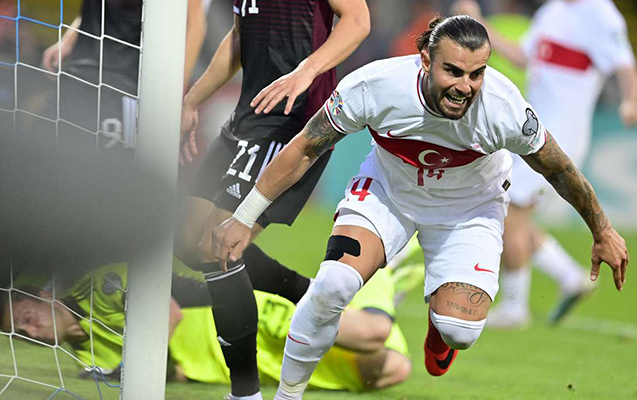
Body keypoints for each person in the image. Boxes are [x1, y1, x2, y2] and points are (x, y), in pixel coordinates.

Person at [211, 15, 629, 399]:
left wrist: (603, 230)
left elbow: (559, 169)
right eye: (453, 71)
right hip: (389, 193)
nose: (465, 87)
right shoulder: (375, 86)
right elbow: (305, 147)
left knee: (459, 331)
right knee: (333, 285)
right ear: (426, 60)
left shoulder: (504, 108)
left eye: (477, 74)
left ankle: (439, 327)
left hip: (470, 207)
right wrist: (244, 217)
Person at [176, 0, 370, 398]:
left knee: (218, 246)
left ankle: (245, 393)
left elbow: (358, 20)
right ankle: (306, 293)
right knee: (186, 240)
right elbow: (238, 38)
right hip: (244, 120)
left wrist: (306, 70)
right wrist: (192, 100)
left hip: (293, 124)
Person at [453, 0, 637, 328]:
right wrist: (478, 26)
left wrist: (631, 101)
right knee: (505, 209)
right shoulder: (552, 11)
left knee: (508, 212)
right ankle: (568, 276)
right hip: (532, 130)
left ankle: (515, 307)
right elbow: (522, 56)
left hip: (560, 135)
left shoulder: (599, 12)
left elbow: (623, 61)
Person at [0, 263, 411, 393]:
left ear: (40, 294)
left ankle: (377, 271)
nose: (30, 329)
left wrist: (131, 371)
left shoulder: (98, 285)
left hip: (249, 321)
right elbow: (173, 372)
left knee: (373, 333)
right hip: (243, 365)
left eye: (25, 315)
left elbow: (169, 312)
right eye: (20, 332)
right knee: (392, 370)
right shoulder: (86, 358)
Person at [40, 0, 208, 153]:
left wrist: (176, 98)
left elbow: (194, 22)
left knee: (101, 167)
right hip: (78, 71)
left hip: (122, 86)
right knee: (45, 155)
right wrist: (67, 40)